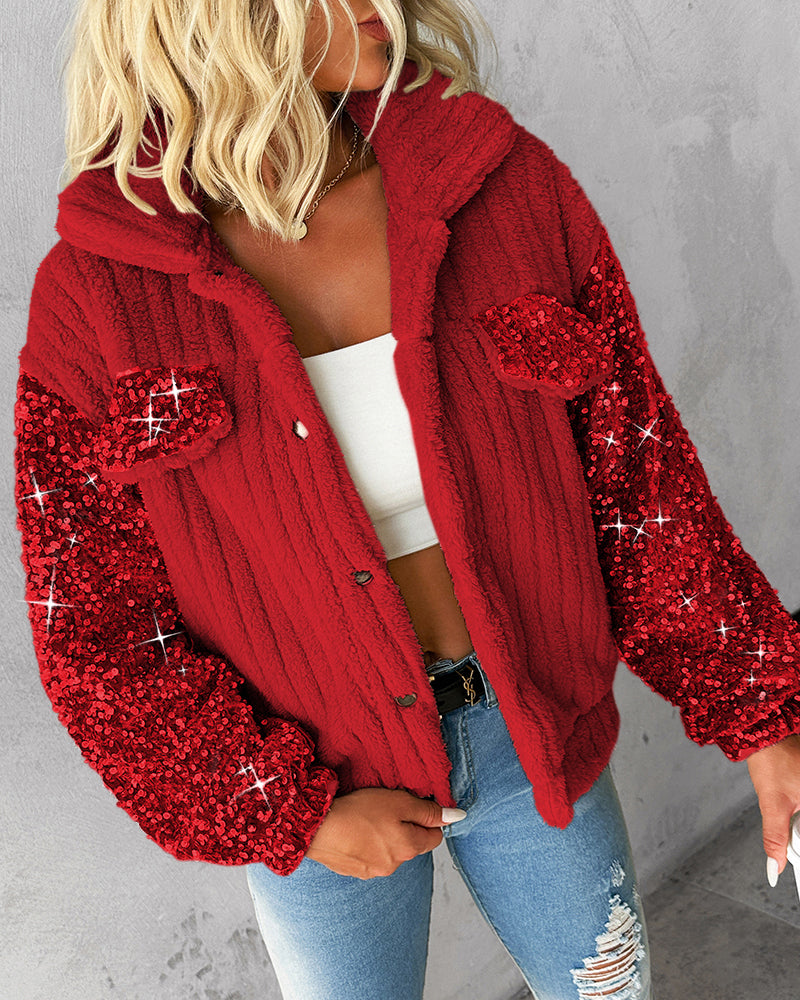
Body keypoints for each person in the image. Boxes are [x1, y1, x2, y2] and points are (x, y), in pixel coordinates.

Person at [13, 1, 800, 998]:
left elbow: (640, 483)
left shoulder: (503, 189)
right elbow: (93, 631)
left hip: (530, 735)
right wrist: (287, 812)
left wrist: (761, 713)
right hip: (312, 773)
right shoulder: (97, 295)